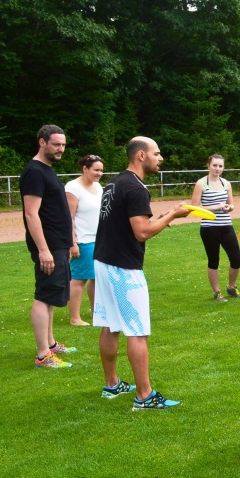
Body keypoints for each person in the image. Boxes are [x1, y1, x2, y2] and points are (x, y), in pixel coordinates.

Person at [93, 137, 190, 409]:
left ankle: (111, 385)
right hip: (123, 267)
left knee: (111, 325)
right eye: (156, 154)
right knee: (137, 332)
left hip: (103, 261)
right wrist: (173, 216)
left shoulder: (115, 181)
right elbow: (142, 232)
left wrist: (164, 216)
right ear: (140, 155)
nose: (160, 158)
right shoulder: (136, 188)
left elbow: (132, 223)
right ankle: (145, 396)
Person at [22, 125, 78, 367]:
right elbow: (31, 214)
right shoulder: (34, 171)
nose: (61, 149)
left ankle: (51, 343)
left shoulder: (47, 170)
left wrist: (68, 243)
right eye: (56, 144)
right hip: (48, 245)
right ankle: (43, 355)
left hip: (58, 244)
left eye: (63, 145)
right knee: (44, 295)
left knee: (52, 294)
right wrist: (44, 250)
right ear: (42, 142)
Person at [191, 154, 240, 302]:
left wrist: (228, 207)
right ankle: (217, 292)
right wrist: (216, 207)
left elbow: (232, 204)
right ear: (208, 166)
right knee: (214, 260)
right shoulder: (201, 184)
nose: (217, 168)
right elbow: (194, 208)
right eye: (214, 165)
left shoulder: (226, 183)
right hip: (209, 227)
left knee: (236, 258)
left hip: (226, 225)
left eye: (220, 166)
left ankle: (231, 287)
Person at [65, 154, 104, 326]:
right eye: (96, 170)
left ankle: (97, 313)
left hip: (99, 239)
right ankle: (75, 318)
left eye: (101, 170)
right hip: (82, 240)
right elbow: (68, 218)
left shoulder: (98, 186)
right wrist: (72, 243)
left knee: (96, 278)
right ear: (85, 169)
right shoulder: (73, 188)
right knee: (79, 279)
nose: (99, 173)